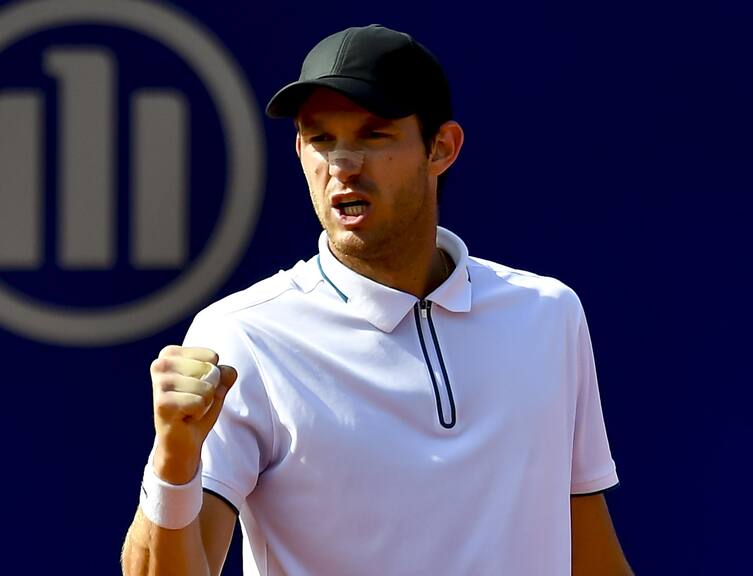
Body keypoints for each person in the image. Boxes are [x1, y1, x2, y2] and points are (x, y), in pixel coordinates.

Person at [122, 24, 633, 576]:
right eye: (320, 138)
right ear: (300, 151)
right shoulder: (241, 336)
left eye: (374, 134)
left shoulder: (549, 315)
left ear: (441, 148)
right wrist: (173, 463)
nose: (343, 163)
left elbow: (589, 553)